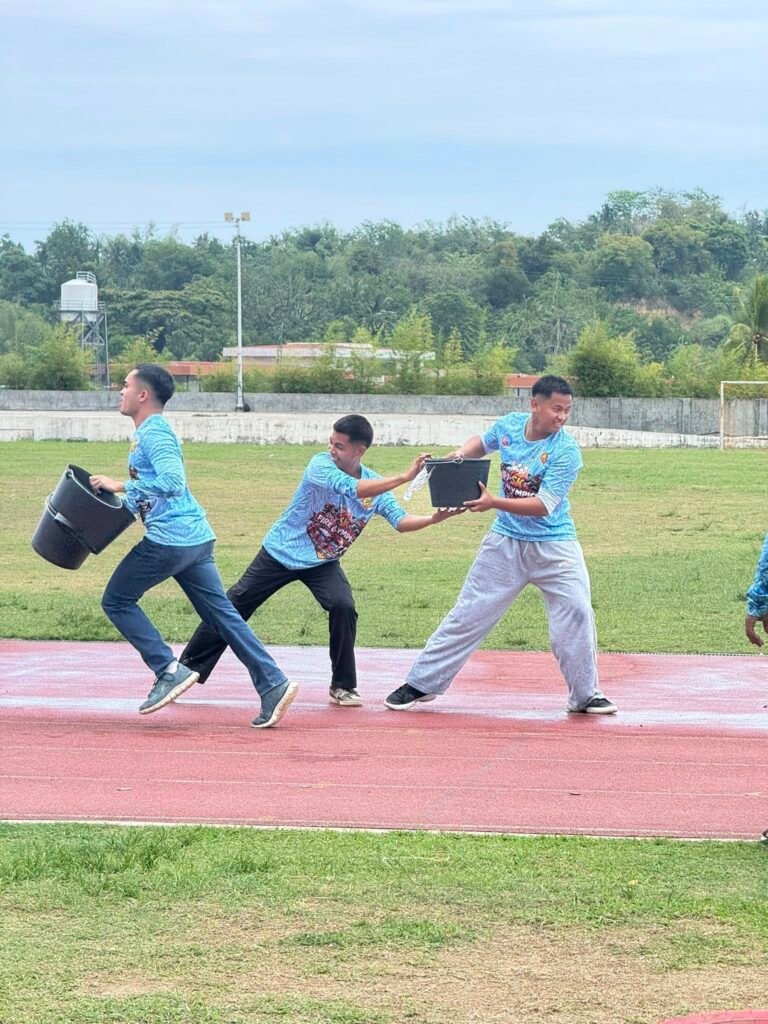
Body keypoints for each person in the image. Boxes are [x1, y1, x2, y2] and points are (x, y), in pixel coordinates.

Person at [179, 414, 463, 706]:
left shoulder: (376, 487)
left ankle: (343, 686)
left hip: (322, 562)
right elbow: (351, 488)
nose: (332, 449)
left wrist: (433, 518)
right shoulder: (320, 465)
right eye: (331, 443)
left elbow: (400, 521)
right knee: (234, 604)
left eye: (339, 446)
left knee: (343, 607)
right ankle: (185, 670)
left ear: (359, 450)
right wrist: (403, 477)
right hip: (281, 552)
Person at [385, 374, 618, 715]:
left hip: (555, 546)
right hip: (504, 542)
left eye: (567, 410)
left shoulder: (566, 451)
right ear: (534, 404)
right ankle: (421, 683)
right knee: (469, 613)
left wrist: (493, 502)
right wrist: (458, 456)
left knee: (577, 614)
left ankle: (586, 696)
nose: (562, 417)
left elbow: (544, 505)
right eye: (556, 409)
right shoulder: (509, 426)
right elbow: (481, 443)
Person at [89, 364, 297, 728]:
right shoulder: (147, 433)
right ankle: (273, 683)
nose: (120, 391)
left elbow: (172, 482)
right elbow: (149, 492)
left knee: (117, 600)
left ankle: (168, 669)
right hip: (195, 539)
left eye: (125, 385)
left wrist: (120, 484)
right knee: (223, 617)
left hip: (170, 541)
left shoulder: (155, 433)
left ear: (143, 395)